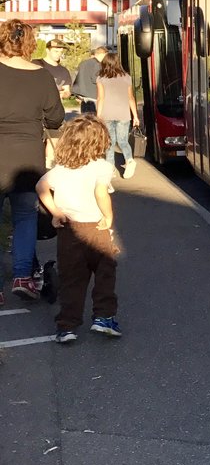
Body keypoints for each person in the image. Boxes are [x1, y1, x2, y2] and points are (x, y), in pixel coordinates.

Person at [36, 116, 121, 342]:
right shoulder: (102, 167)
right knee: (105, 274)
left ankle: (67, 327)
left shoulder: (60, 170)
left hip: (68, 230)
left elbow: (41, 187)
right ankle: (103, 318)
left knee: (71, 279)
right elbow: (100, 193)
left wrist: (55, 212)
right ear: (99, 142)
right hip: (95, 228)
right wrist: (108, 216)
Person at [0, 19, 65, 304]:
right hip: (28, 157)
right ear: (29, 44)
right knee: (25, 217)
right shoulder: (42, 76)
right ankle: (23, 276)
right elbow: (56, 118)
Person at [95, 51, 140, 179]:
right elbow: (131, 98)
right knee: (123, 141)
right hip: (123, 114)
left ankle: (110, 168)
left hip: (107, 114)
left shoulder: (100, 78)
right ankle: (130, 161)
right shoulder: (127, 77)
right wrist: (135, 116)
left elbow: (100, 98)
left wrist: (98, 116)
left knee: (109, 142)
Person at [36, 37, 73, 166]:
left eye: (61, 51)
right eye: (56, 50)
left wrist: (63, 93)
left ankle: (49, 166)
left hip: (55, 111)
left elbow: (67, 91)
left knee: (54, 139)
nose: (59, 53)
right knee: (37, 141)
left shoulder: (63, 71)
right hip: (37, 110)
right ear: (47, 50)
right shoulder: (37, 65)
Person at [72, 45, 108, 114]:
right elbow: (96, 80)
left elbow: (76, 78)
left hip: (83, 97)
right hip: (93, 97)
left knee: (86, 120)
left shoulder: (83, 63)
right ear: (103, 54)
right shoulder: (98, 65)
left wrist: (76, 94)